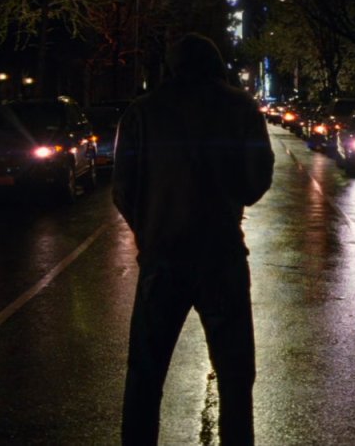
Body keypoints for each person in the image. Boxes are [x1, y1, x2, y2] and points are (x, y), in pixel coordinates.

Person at [113, 33, 274, 445]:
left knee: (145, 375)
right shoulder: (241, 107)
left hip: (163, 257)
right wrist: (228, 197)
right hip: (221, 255)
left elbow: (122, 188)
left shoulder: (142, 111)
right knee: (235, 378)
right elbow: (258, 179)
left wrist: (148, 229)